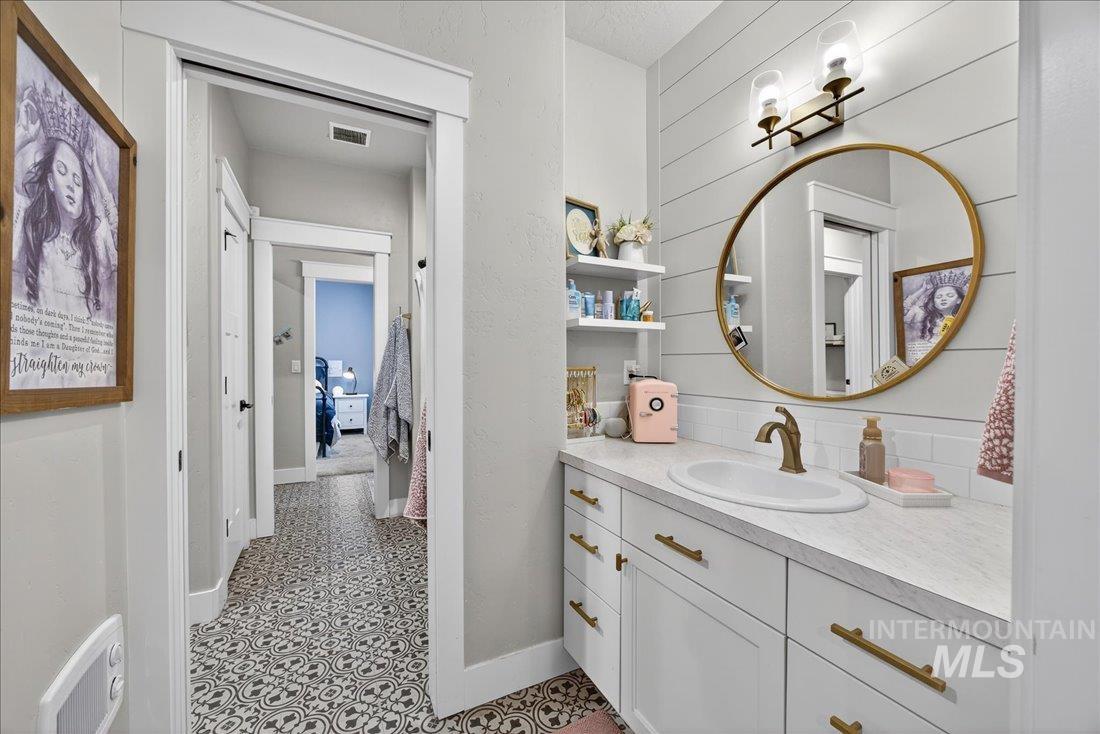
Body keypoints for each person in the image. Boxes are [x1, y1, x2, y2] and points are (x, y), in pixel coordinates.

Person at [11, 83, 118, 321]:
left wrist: (95, 170)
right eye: (62, 171)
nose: (71, 184)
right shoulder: (32, 230)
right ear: (49, 181)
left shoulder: (91, 243)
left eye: (78, 180)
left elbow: (118, 239)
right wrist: (24, 135)